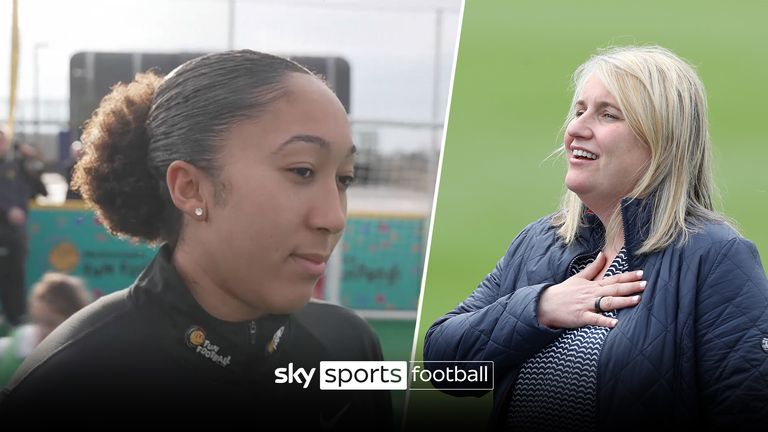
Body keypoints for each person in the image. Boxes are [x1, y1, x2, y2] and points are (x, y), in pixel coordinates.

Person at [0, 50, 392, 427]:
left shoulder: (351, 347)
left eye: (344, 179)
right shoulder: (69, 382)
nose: (333, 217)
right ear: (190, 188)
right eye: (303, 171)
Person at [423, 46, 768, 429]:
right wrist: (540, 308)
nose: (576, 130)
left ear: (662, 142)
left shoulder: (716, 257)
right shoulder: (539, 242)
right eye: (579, 111)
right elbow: (443, 368)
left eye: (607, 115)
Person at [0, 272, 91, 386]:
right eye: (38, 321)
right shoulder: (7, 353)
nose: (42, 331)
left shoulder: (87, 364)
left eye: (51, 324)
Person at [0, 127, 48, 327]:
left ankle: (16, 323)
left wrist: (32, 159)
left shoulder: (18, 166)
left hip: (15, 238)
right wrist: (7, 210)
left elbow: (41, 189)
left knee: (15, 283)